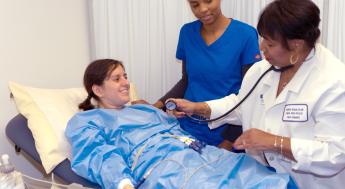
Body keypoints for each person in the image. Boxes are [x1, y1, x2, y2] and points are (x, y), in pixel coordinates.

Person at [169, 0, 345, 188]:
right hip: (263, 178)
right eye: (262, 39)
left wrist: (274, 143)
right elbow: (241, 105)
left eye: (270, 43)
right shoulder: (263, 70)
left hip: (307, 183)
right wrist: (198, 108)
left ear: (296, 44)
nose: (262, 48)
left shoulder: (334, 83)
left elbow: (336, 154)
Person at [65, 59, 294, 189]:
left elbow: (171, 128)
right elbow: (97, 153)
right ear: (97, 89)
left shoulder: (143, 109)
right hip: (167, 169)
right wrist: (122, 183)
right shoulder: (86, 121)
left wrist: (170, 118)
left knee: (270, 180)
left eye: (125, 76)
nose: (126, 83)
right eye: (117, 79)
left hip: (204, 154)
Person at [134, 0, 262, 149]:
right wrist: (154, 107)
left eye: (208, 1)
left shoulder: (245, 34)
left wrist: (228, 142)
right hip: (186, 127)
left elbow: (248, 96)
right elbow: (186, 80)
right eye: (195, 5)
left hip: (225, 130)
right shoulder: (187, 32)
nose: (202, 9)